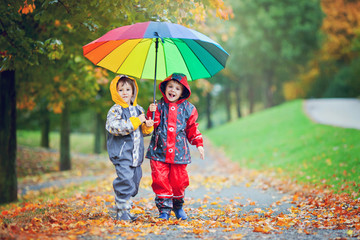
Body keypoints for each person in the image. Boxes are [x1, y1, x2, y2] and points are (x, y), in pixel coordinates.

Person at [146, 73, 205, 220]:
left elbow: (192, 128)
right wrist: (151, 113)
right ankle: (164, 210)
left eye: (177, 88)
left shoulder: (188, 109)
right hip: (159, 151)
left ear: (182, 92)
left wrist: (199, 143)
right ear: (165, 88)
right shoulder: (158, 106)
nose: (173, 90)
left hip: (179, 153)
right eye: (170, 86)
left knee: (179, 182)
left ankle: (177, 206)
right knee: (160, 180)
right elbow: (152, 125)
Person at [106, 75, 154, 221]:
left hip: (136, 155)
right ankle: (122, 211)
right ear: (116, 92)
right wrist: (135, 122)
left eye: (128, 89)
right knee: (125, 180)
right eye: (121, 90)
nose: (125, 92)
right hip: (122, 154)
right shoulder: (116, 110)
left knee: (134, 182)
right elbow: (114, 127)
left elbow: (141, 131)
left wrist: (147, 126)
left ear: (133, 92)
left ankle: (126, 205)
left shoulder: (138, 109)